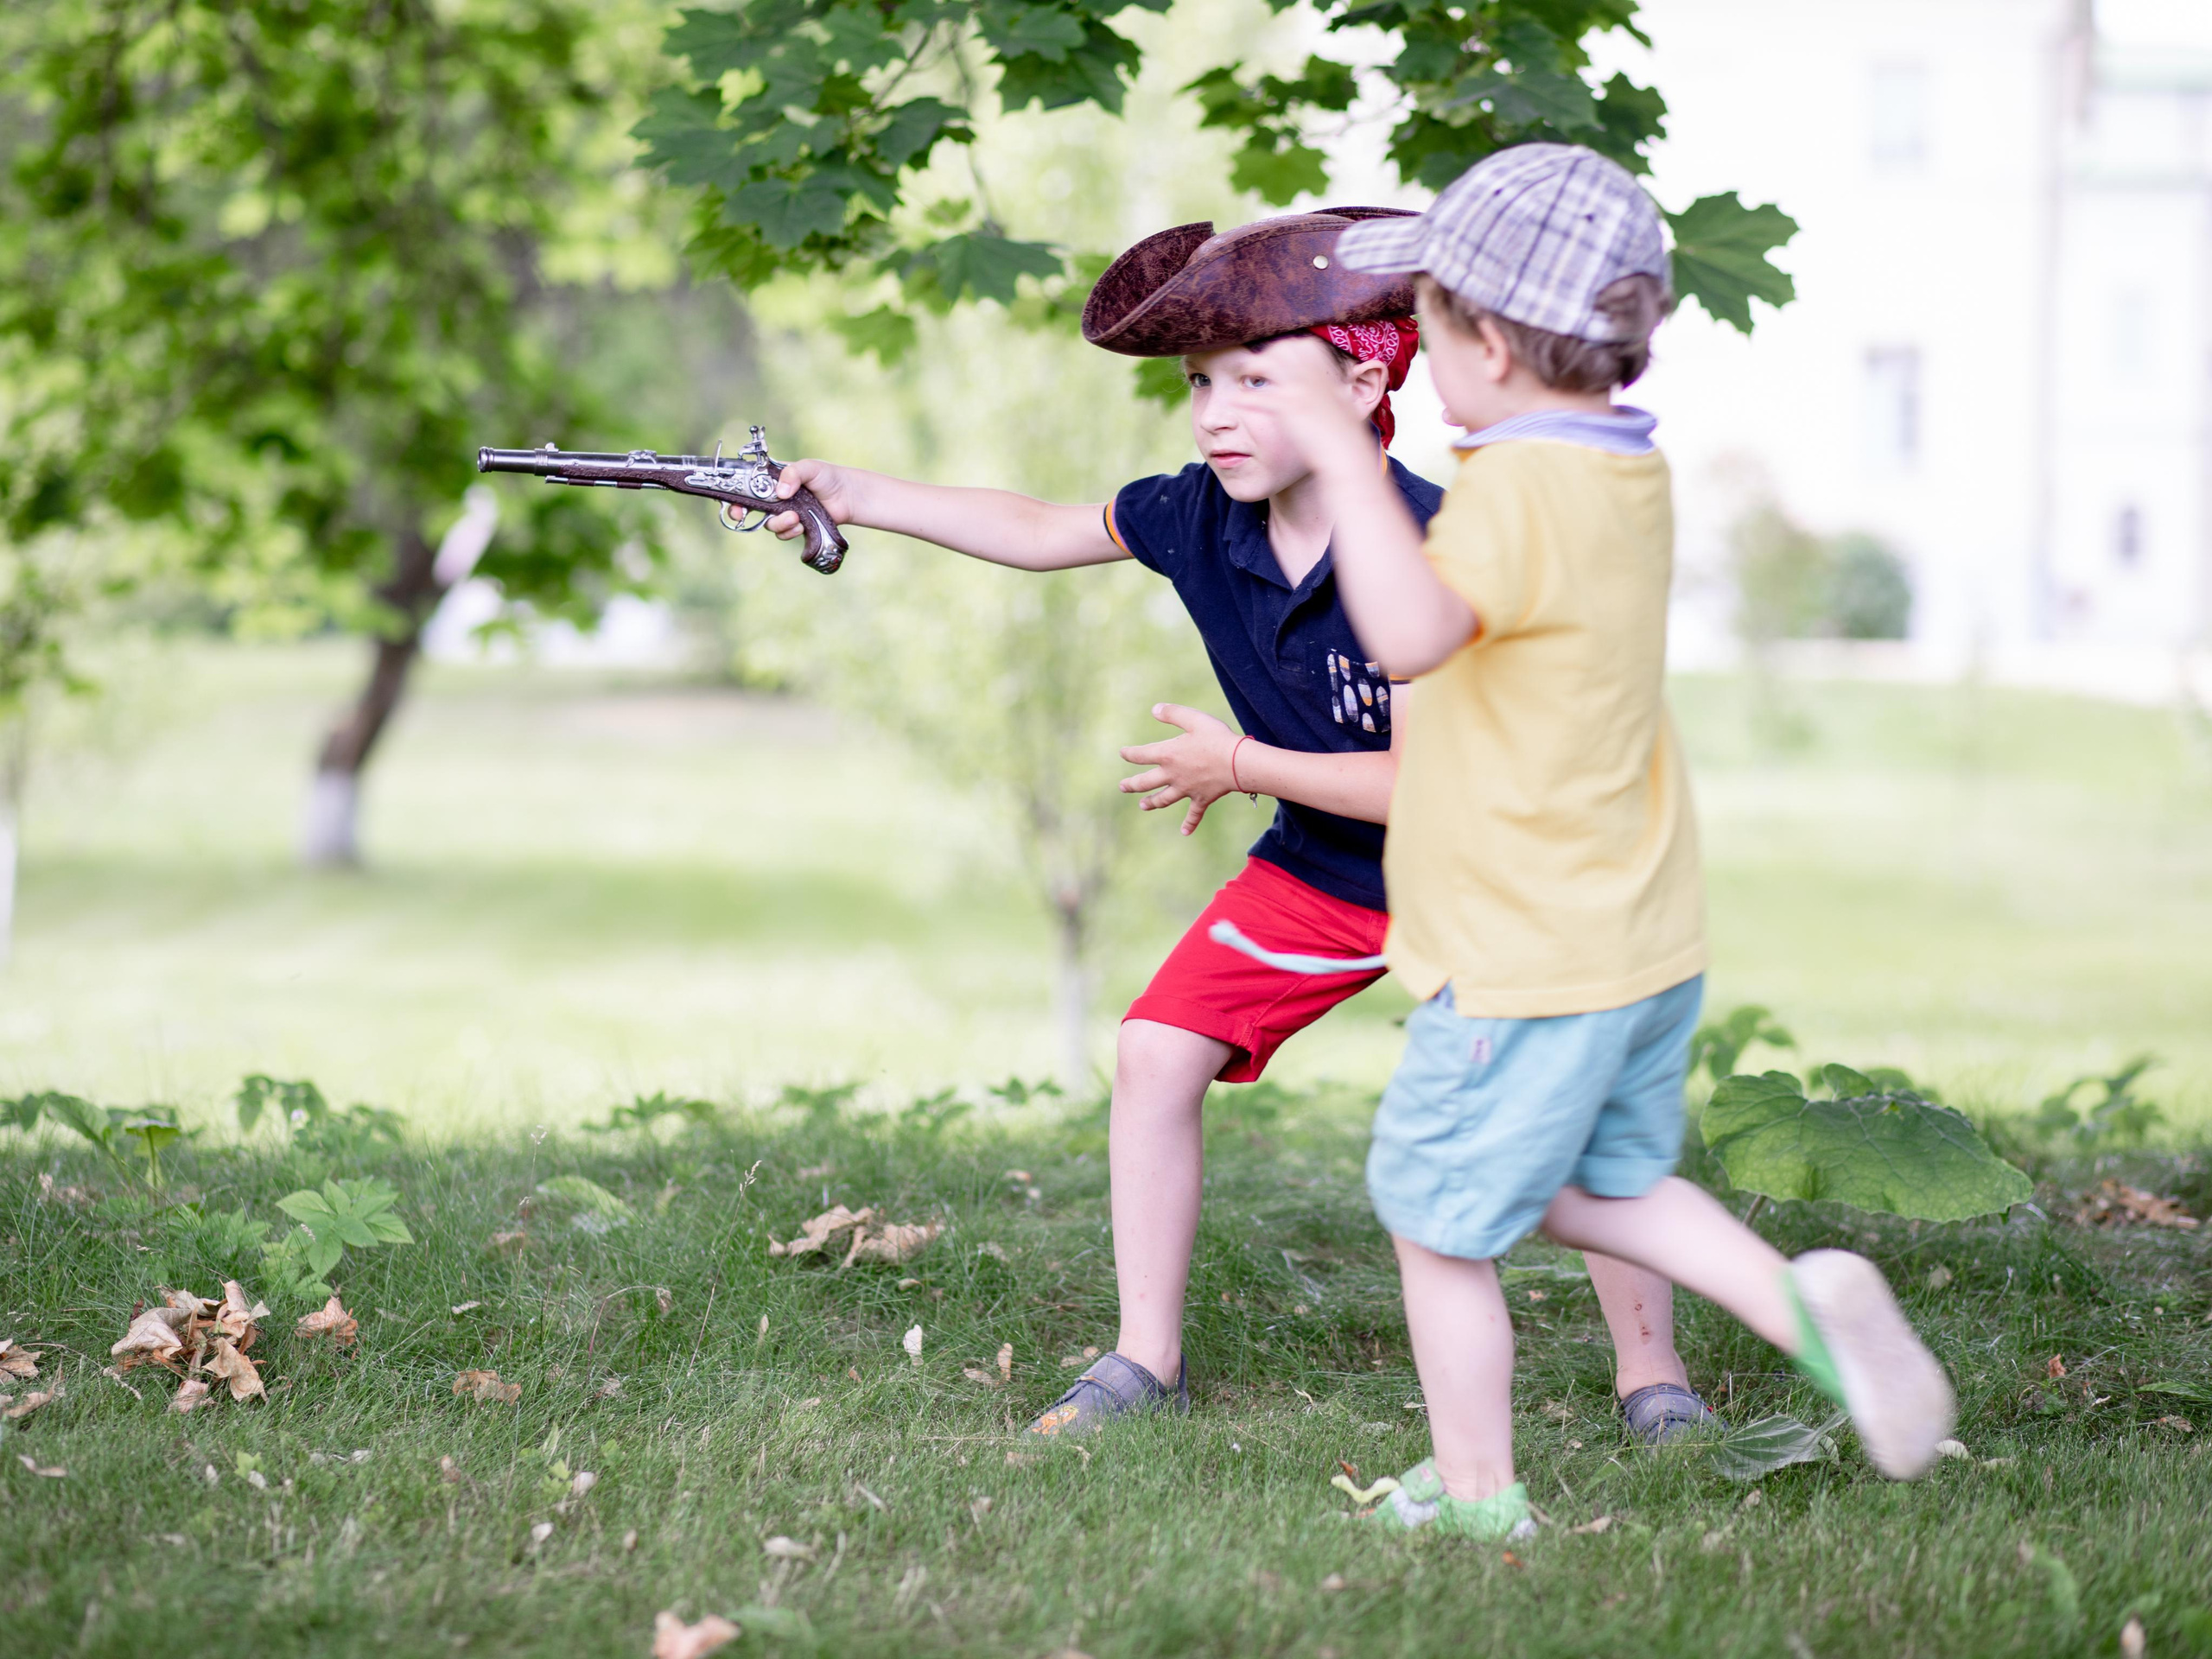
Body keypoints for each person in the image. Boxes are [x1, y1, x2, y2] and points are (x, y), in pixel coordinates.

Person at [766, 207, 1712, 1442]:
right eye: (1200, 383)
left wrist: (1239, 764)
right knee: (1156, 1052)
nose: (1215, 414)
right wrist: (858, 493)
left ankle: (1654, 1378)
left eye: (1257, 381)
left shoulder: (1443, 549)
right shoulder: (1200, 517)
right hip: (1325, 875)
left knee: (1574, 1121)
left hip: (1492, 880)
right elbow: (1042, 529)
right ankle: (1142, 1359)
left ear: (1362, 383)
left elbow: (1432, 790)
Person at [1262, 143, 1955, 1537]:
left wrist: (1341, 447)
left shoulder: (1516, 491)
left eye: (1430, 321)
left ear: (1493, 343)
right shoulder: (1625, 468)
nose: (1417, 355)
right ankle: (1800, 1308)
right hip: (1637, 942)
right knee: (1602, 1183)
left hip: (1523, 952)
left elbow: (1404, 634)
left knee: (1434, 1219)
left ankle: (1476, 1498)